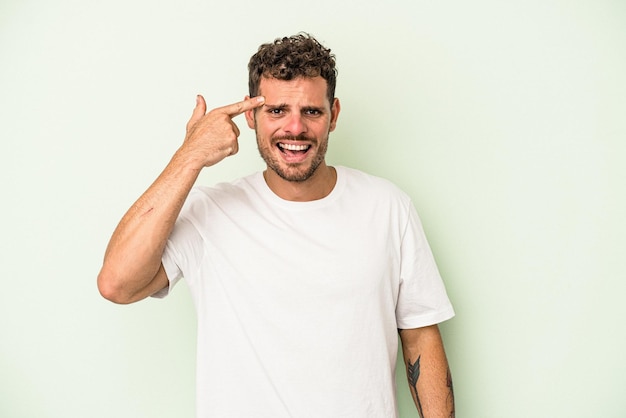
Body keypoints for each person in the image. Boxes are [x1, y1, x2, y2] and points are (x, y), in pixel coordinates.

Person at [98, 33, 455, 418]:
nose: (295, 128)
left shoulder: (387, 206)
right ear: (250, 117)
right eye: (277, 110)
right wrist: (190, 157)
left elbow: (420, 336)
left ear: (333, 115)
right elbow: (118, 283)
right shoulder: (209, 212)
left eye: (312, 112)